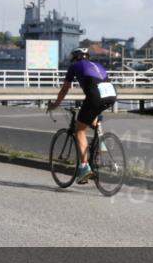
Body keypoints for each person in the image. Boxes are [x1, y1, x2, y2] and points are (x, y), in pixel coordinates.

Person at [47, 48, 118, 184]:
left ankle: (84, 167)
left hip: (95, 96)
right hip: (111, 95)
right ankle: (100, 146)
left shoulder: (74, 66)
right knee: (93, 118)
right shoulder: (98, 65)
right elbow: (98, 84)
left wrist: (56, 104)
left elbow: (65, 89)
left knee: (79, 129)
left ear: (75, 58)